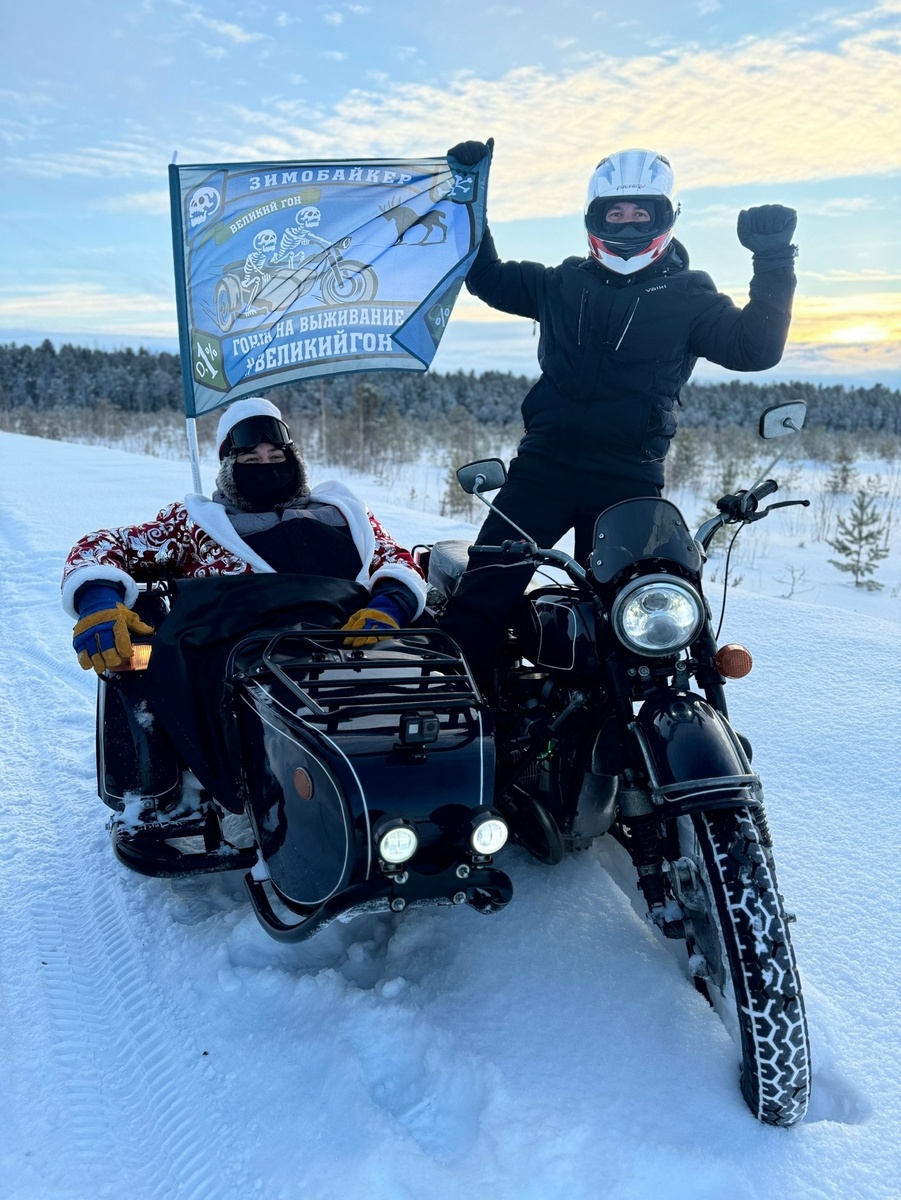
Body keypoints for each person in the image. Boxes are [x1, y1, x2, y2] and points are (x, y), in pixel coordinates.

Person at [440, 141, 798, 679]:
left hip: (627, 479)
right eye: (616, 211)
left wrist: (773, 261)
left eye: (641, 212)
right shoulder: (560, 283)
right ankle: (468, 714)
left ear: (664, 217)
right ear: (594, 217)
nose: (628, 223)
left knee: (626, 623)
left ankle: (607, 742)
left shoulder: (690, 298)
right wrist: (468, 194)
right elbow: (485, 276)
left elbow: (755, 347)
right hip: (543, 470)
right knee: (482, 596)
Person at [63, 396, 427, 673]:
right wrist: (97, 599)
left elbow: (395, 558)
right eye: (251, 462)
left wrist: (388, 607)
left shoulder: (343, 510)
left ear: (295, 463)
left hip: (358, 655)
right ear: (229, 470)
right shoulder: (198, 523)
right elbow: (103, 546)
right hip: (245, 670)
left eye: (276, 458)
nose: (266, 467)